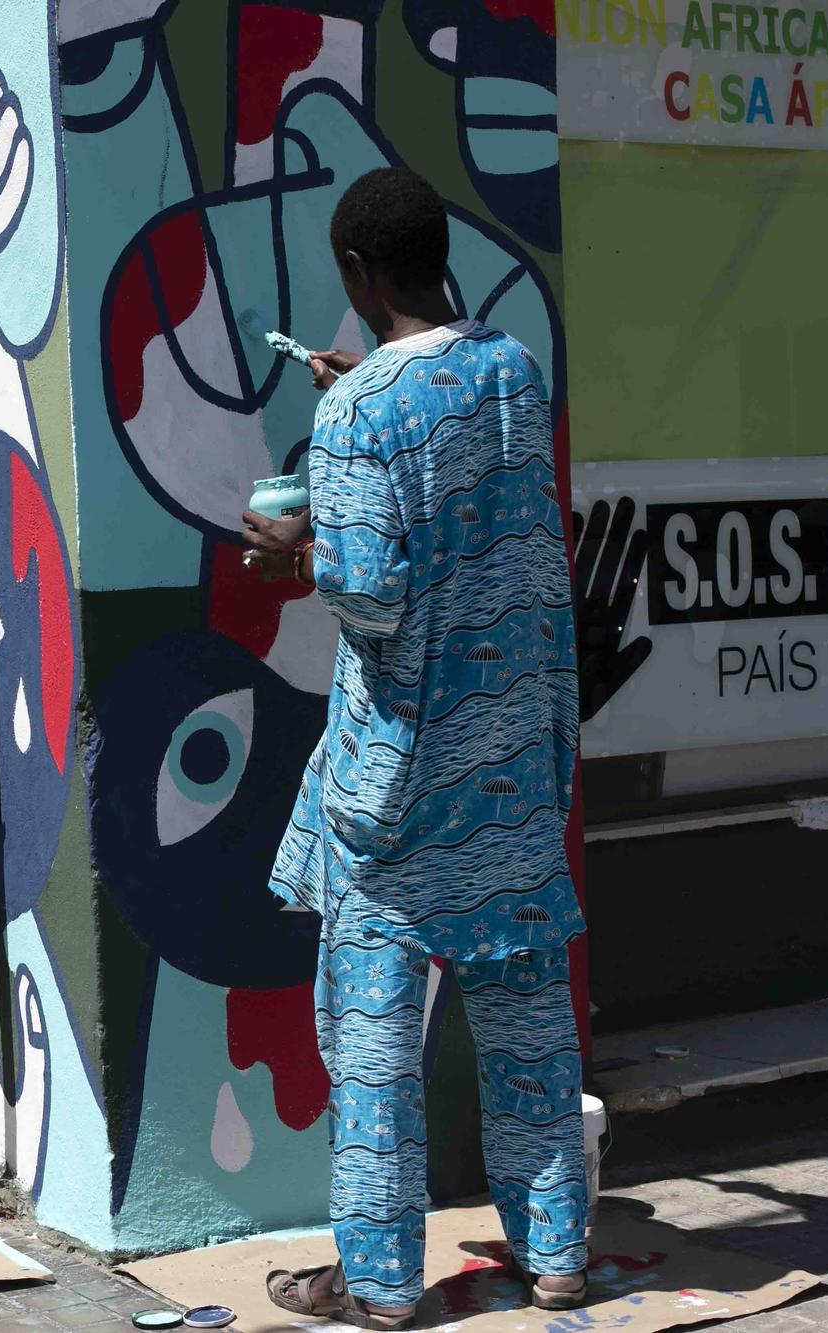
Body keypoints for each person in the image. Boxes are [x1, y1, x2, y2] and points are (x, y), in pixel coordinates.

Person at [242, 167, 587, 1327]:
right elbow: (458, 468)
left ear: (354, 271)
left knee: (377, 1053)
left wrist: (293, 542)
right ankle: (556, 1261)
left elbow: (372, 593)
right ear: (435, 256)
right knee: (529, 1034)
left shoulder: (350, 415)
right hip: (514, 773)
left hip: (398, 793)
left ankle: (385, 1285)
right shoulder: (511, 371)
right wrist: (368, 402)